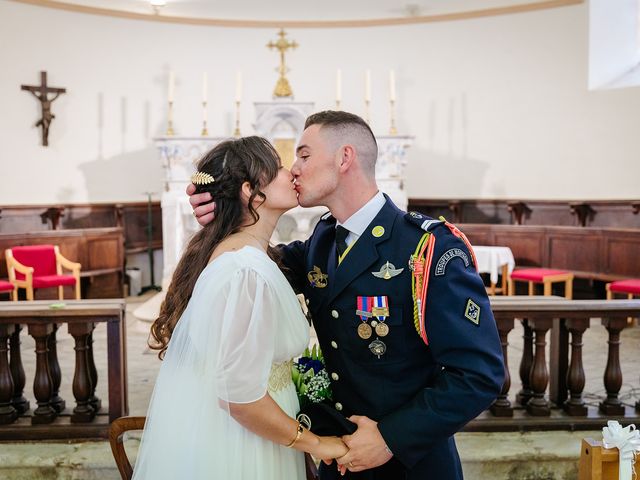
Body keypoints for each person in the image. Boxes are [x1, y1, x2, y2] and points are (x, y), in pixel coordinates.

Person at [189, 112, 505, 479]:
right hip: (338, 464)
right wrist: (224, 209)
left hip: (409, 465)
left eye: (304, 155)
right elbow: (246, 265)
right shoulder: (322, 240)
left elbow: (479, 375)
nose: (294, 169)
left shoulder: (425, 248)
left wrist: (389, 438)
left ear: (344, 158)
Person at [134, 136, 348, 480]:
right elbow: (240, 397)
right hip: (247, 445)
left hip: (258, 435)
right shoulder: (246, 271)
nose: (291, 171)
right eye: (278, 168)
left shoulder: (251, 256)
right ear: (250, 191)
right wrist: (318, 444)